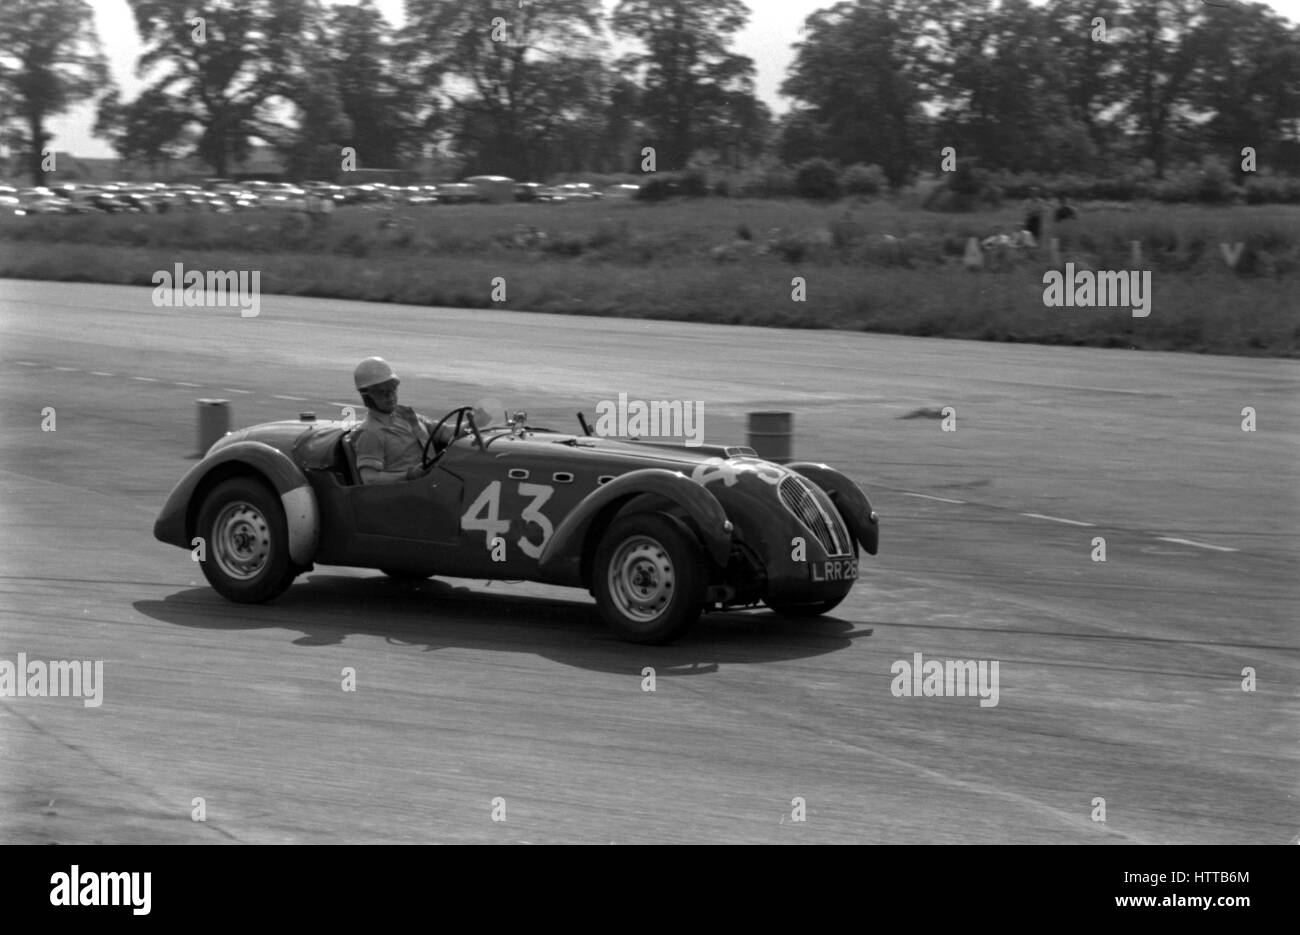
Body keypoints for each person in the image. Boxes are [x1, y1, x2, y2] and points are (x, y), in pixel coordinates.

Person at [350, 357, 454, 485]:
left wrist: (476, 422)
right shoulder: (370, 432)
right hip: (408, 494)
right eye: (381, 392)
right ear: (367, 396)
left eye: (392, 388)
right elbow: (370, 478)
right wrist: (409, 475)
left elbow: (444, 432)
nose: (390, 395)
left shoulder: (406, 415)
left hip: (434, 484)